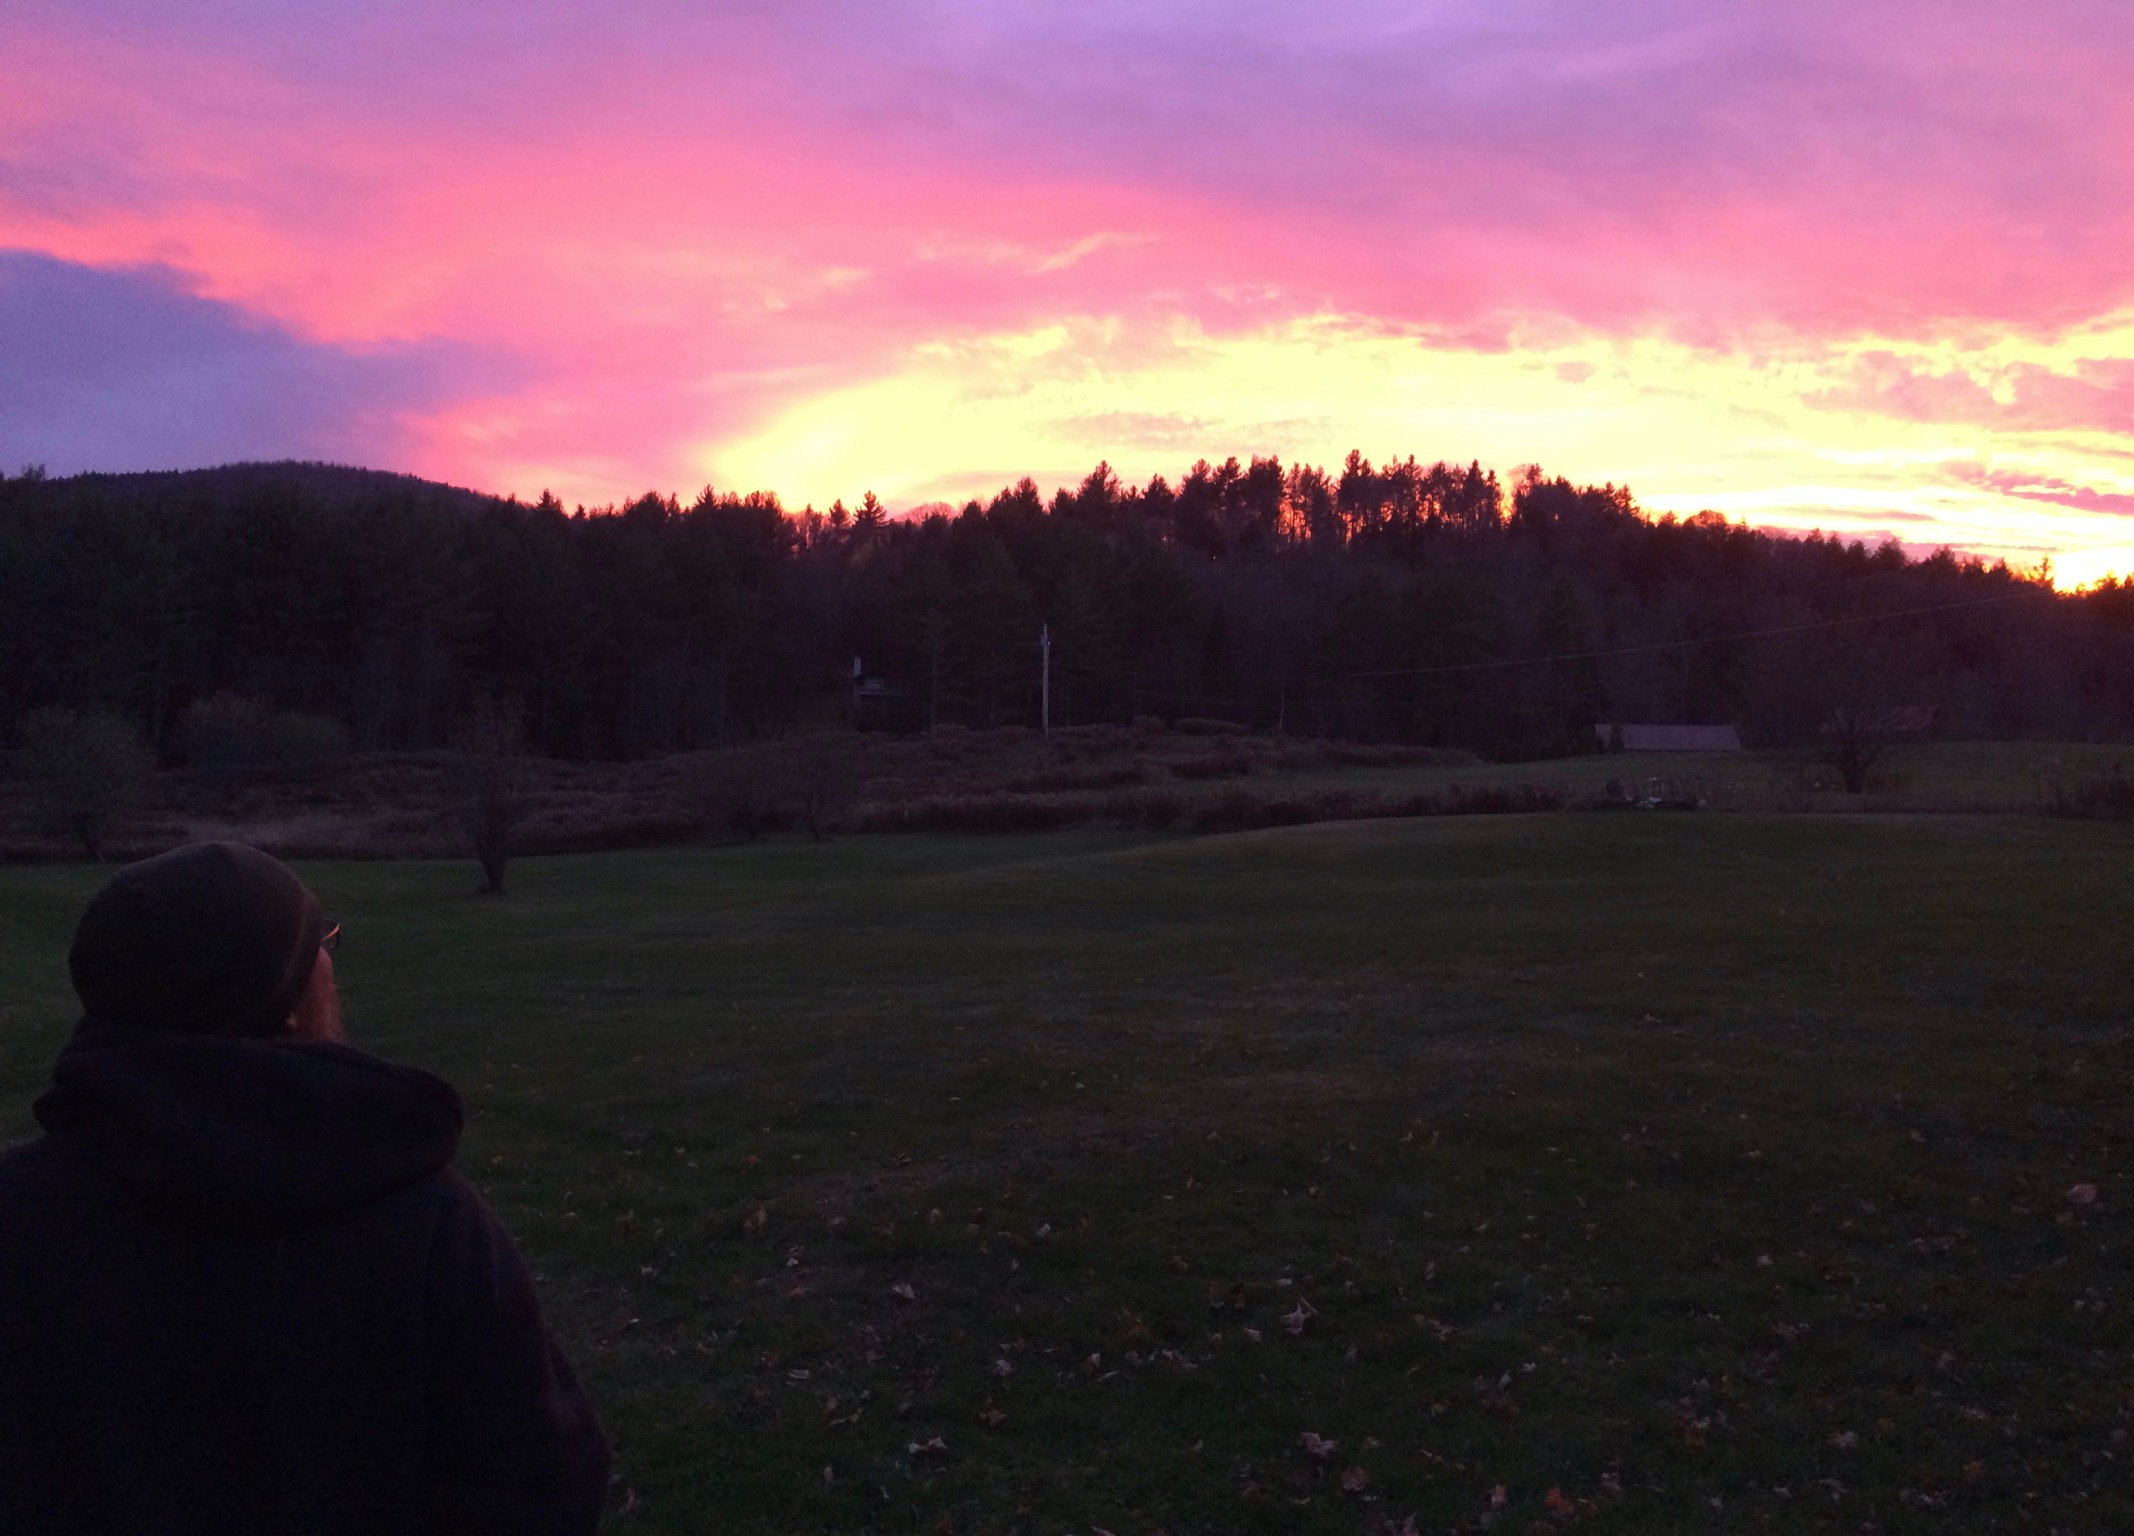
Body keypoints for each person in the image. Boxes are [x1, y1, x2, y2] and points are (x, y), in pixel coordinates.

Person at [0, 841, 610, 1534]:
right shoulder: (426, 1226)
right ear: (284, 1005)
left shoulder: (16, 1223)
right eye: (321, 941)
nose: (330, 958)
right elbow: (541, 1487)